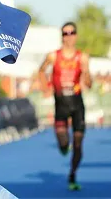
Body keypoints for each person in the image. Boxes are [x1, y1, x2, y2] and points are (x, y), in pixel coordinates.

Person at [38, 22, 91, 191]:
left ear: (76, 36)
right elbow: (41, 70)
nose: (68, 36)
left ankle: (72, 175)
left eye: (71, 32)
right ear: (62, 36)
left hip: (77, 105)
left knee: (77, 144)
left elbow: (89, 84)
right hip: (60, 105)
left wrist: (86, 71)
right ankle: (63, 146)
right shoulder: (53, 56)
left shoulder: (82, 57)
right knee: (63, 144)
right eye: (65, 33)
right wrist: (45, 86)